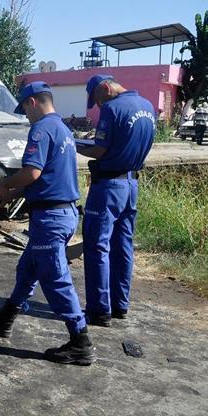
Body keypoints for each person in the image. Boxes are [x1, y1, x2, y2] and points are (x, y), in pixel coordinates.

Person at [0, 81, 94, 365]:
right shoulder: (64, 130)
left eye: (25, 110)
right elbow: (46, 178)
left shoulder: (42, 129)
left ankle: (80, 341)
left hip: (51, 219)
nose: (26, 116)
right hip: (61, 212)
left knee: (55, 278)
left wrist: (3, 185)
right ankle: (5, 318)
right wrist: (12, 195)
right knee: (28, 267)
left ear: (32, 102)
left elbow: (32, 172)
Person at [77, 75, 155, 327]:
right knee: (123, 245)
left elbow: (99, 150)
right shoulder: (147, 106)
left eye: (97, 100)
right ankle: (120, 304)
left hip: (109, 186)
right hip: (132, 183)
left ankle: (99, 310)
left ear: (106, 89)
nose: (98, 106)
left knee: (97, 245)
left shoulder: (112, 108)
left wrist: (75, 145)